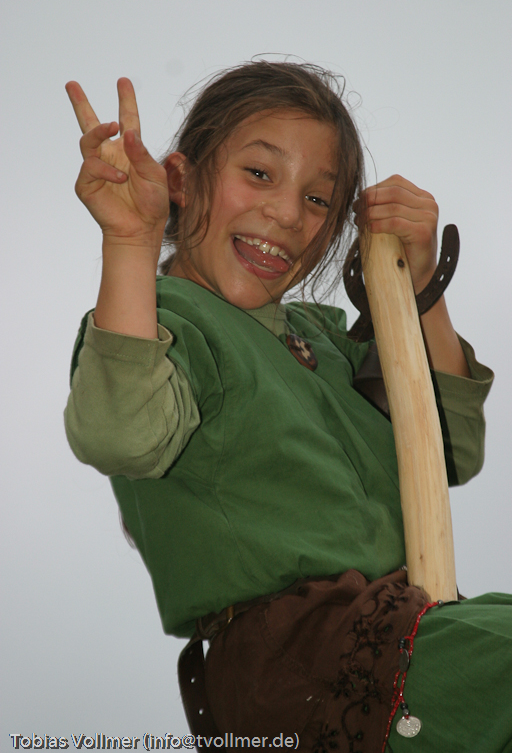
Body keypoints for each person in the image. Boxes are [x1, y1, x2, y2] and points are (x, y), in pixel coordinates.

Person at [64, 62, 511, 752]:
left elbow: (449, 448)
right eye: (259, 173)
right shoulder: (170, 325)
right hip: (304, 660)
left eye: (318, 200)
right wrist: (130, 242)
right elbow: (121, 435)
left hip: (412, 629)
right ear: (181, 180)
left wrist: (420, 287)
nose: (286, 213)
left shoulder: (324, 339)